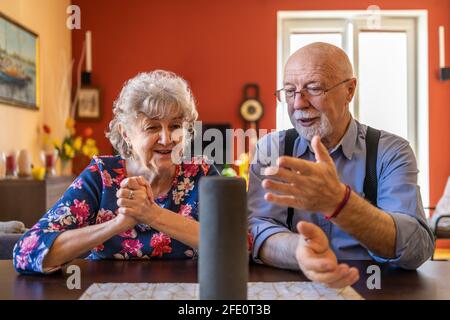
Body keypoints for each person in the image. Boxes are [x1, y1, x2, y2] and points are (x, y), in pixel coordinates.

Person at [248, 42, 435, 289]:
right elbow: (256, 228)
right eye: (290, 91)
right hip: (295, 284)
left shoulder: (391, 151)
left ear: (349, 90)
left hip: (374, 287)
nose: (298, 103)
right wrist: (300, 251)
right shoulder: (271, 149)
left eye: (313, 88)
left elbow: (416, 248)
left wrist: (340, 203)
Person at [13, 70, 216, 274]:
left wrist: (152, 214)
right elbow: (26, 252)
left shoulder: (202, 173)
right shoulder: (102, 176)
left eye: (175, 126)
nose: (167, 138)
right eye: (152, 127)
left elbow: (239, 242)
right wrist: (118, 223)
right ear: (125, 133)